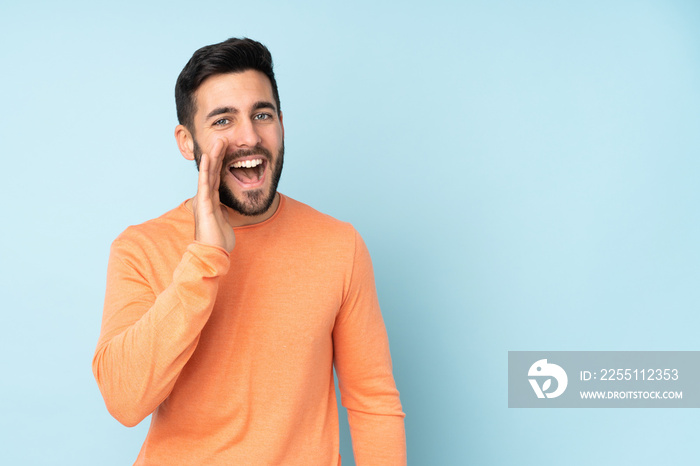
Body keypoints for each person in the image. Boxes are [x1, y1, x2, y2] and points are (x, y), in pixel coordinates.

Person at [92, 37, 406, 465]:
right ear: (187, 142)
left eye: (262, 115)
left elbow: (374, 402)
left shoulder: (339, 245)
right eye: (223, 120)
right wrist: (204, 259)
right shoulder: (140, 248)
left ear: (281, 123)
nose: (249, 137)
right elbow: (124, 400)